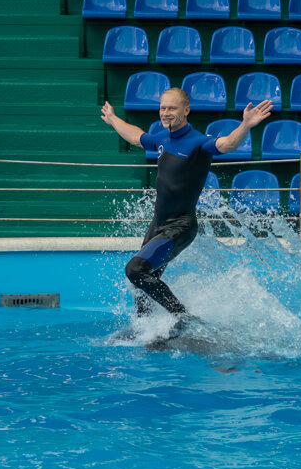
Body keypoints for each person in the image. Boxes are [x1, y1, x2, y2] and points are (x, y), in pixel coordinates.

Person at [101, 88, 273, 321]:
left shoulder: (199, 143)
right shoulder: (162, 138)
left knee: (135, 270)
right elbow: (135, 136)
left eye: (172, 108)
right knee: (142, 283)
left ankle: (183, 317)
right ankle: (145, 330)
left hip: (179, 227)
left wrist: (245, 125)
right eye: (163, 108)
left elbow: (228, 144)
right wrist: (113, 119)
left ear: (186, 110)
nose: (166, 113)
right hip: (158, 227)